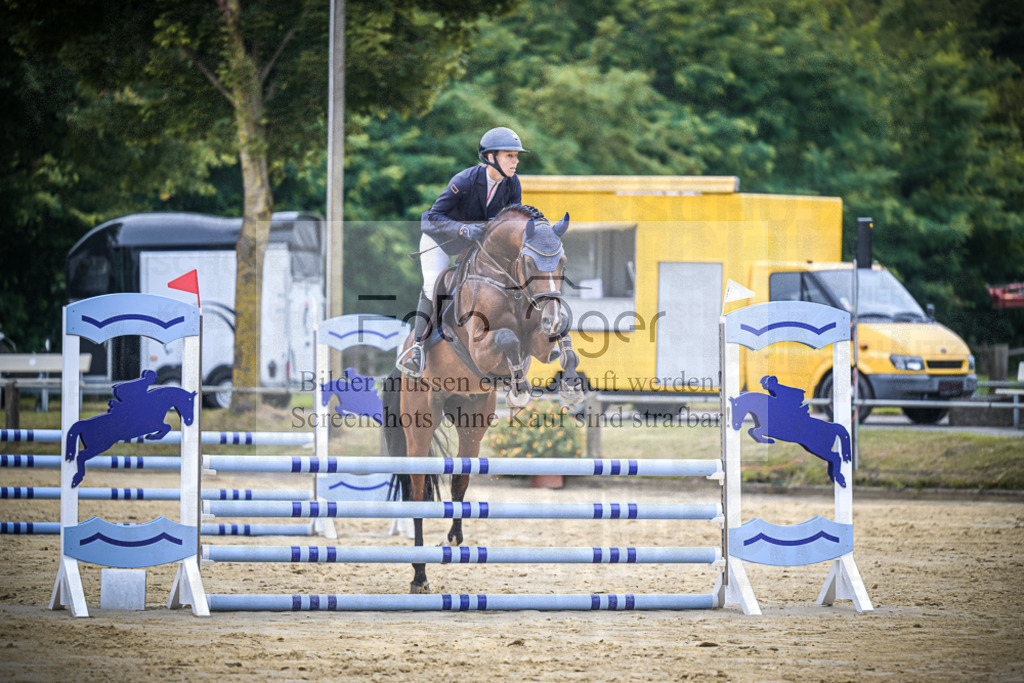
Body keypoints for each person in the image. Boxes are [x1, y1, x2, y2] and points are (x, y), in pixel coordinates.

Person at [396, 127, 529, 377]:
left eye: (516, 156)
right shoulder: (465, 181)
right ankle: (417, 349)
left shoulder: (512, 184)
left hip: (474, 248)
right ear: (490, 158)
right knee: (432, 286)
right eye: (509, 156)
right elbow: (431, 218)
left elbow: (513, 222)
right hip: (441, 241)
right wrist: (462, 230)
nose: (516, 161)